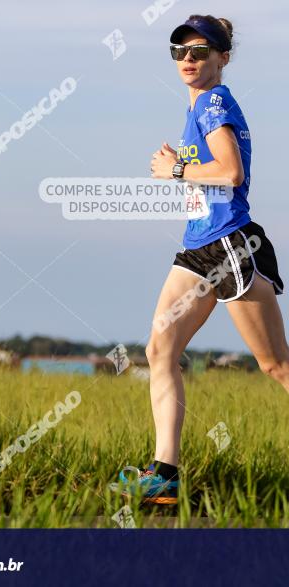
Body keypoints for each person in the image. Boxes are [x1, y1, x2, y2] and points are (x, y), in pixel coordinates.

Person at [114, 15, 288, 505]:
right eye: (180, 52)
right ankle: (164, 476)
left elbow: (230, 172)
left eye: (200, 51)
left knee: (276, 365)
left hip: (231, 244)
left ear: (222, 58)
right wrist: (184, 169)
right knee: (160, 349)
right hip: (198, 248)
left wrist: (176, 169)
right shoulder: (197, 107)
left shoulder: (214, 101)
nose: (188, 59)